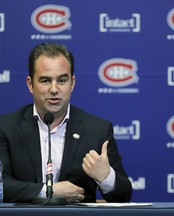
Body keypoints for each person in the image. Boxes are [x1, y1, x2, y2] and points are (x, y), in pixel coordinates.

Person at [0, 42, 132, 203]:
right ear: (30, 84)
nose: (54, 89)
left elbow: (124, 196)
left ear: (72, 83)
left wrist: (106, 177)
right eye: (45, 81)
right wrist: (50, 190)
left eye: (62, 80)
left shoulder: (97, 130)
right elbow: (2, 185)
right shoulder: (6, 128)